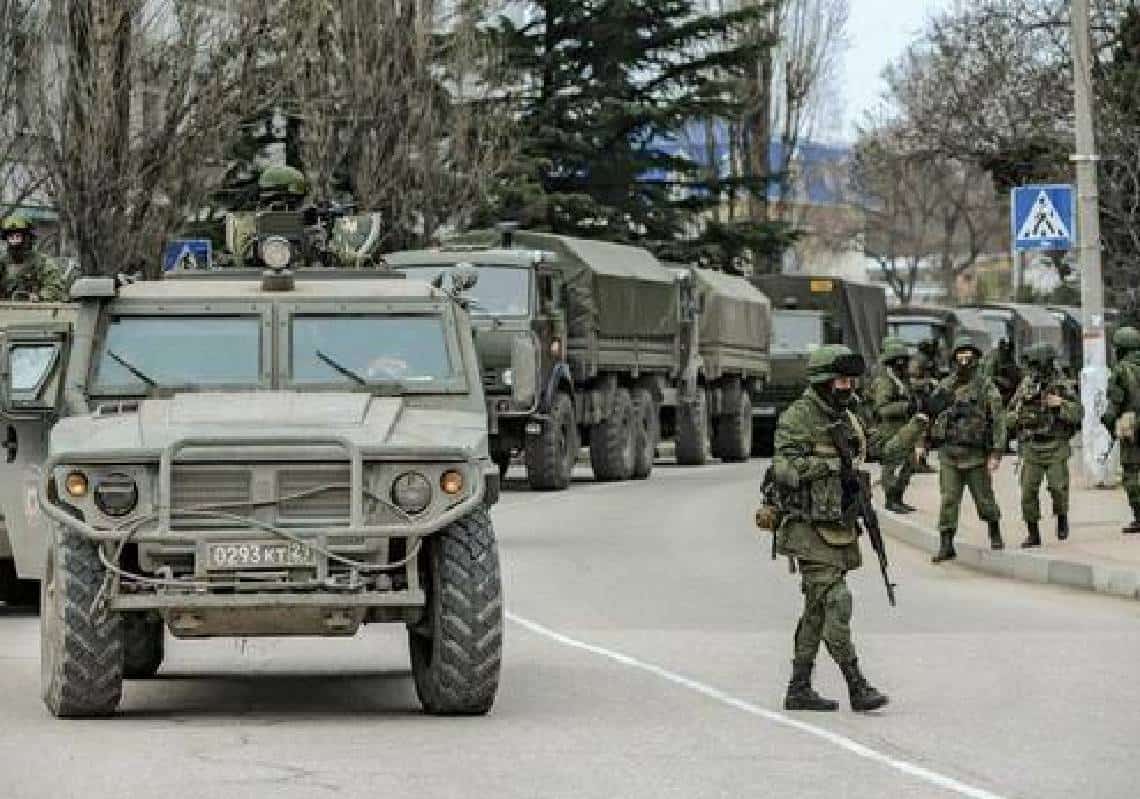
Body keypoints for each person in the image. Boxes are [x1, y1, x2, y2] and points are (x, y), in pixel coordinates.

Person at [770, 345, 927, 713]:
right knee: (837, 602)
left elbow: (884, 450)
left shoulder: (851, 417)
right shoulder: (799, 417)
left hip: (840, 526)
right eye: (841, 381)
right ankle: (857, 684)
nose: (848, 387)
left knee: (817, 610)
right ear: (823, 382)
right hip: (808, 529)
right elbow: (784, 469)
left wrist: (917, 424)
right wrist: (830, 466)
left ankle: (799, 687)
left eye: (851, 381)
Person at [928, 336, 1008, 561]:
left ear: (975, 357)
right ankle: (946, 543)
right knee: (948, 499)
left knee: (984, 499)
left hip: (975, 456)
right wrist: (921, 444)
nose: (964, 359)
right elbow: (930, 413)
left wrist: (996, 453)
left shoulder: (985, 386)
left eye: (968, 355)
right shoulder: (945, 385)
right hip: (949, 454)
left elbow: (998, 419)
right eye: (960, 355)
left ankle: (994, 530)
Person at [1007, 344, 1081, 547]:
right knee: (1027, 492)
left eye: (1035, 364)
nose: (1033, 369)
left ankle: (1062, 517)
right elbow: (1009, 414)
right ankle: (1033, 533)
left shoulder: (1062, 384)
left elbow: (1078, 413)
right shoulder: (1026, 385)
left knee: (1058, 488)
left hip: (1056, 445)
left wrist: (1061, 404)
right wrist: (1019, 417)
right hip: (1032, 446)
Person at [871, 337, 917, 513]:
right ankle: (891, 500)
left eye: (904, 360)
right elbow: (882, 408)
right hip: (890, 431)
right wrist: (905, 406)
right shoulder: (885, 381)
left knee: (908, 465)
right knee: (892, 466)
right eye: (898, 360)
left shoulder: (901, 379)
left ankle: (899, 498)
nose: (902, 364)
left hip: (904, 429)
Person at [1101, 326, 1140, 534]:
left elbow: (1112, 408)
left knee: (1132, 475)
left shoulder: (1121, 371)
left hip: (1131, 428)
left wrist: (1111, 426)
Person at [1, 216, 68, 302]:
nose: (14, 241)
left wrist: (39, 296)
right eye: (11, 237)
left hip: (35, 307)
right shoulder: (2, 262)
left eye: (18, 236)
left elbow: (55, 286)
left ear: (26, 238)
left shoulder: (42, 262)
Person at [908, 353, 937, 474]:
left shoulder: (926, 361)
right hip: (918, 404)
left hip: (925, 402)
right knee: (920, 435)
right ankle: (917, 463)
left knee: (926, 434)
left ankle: (921, 461)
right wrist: (928, 382)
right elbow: (912, 383)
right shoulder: (916, 363)